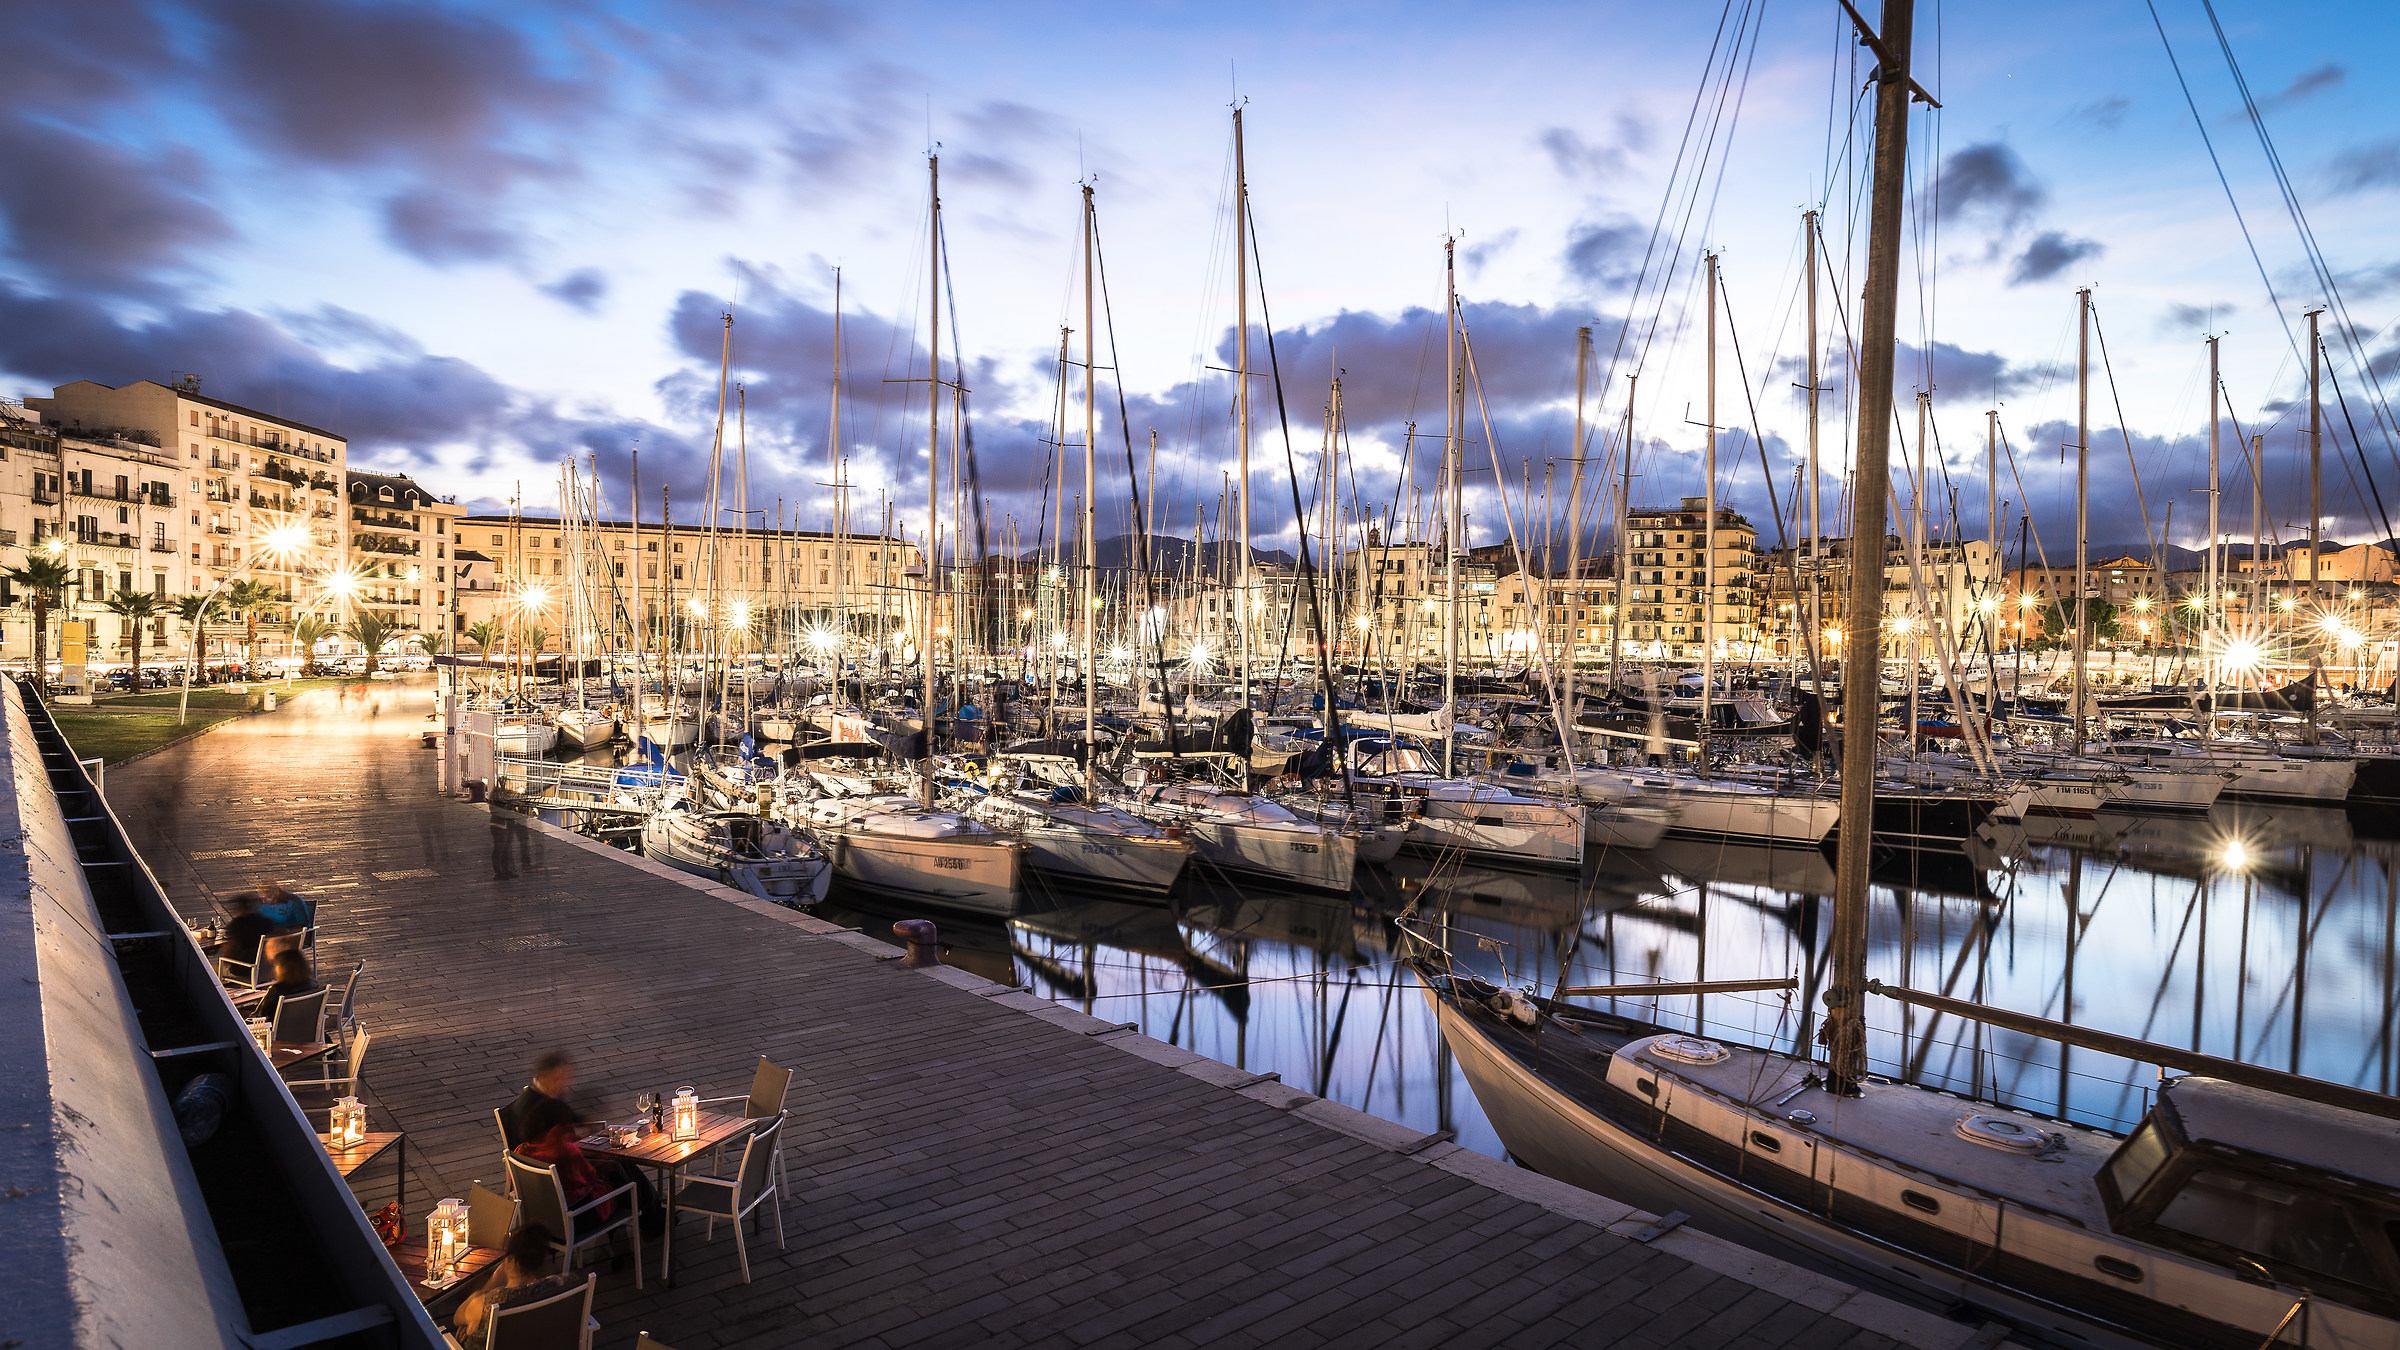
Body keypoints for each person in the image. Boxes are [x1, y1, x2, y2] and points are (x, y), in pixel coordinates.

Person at [452, 1226, 573, 1342]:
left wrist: (475, 1314)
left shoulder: (489, 1303)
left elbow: (457, 1318)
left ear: (511, 1261)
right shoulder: (556, 1286)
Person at [218, 892, 277, 976]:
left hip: (244, 969)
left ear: (238, 909)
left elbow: (228, 953)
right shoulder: (267, 922)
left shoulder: (236, 925)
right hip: (268, 968)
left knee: (213, 969)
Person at [256, 950, 321, 1022]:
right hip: (307, 1029)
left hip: (276, 1030)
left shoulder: (276, 990)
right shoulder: (313, 985)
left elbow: (260, 1015)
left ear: (282, 969)